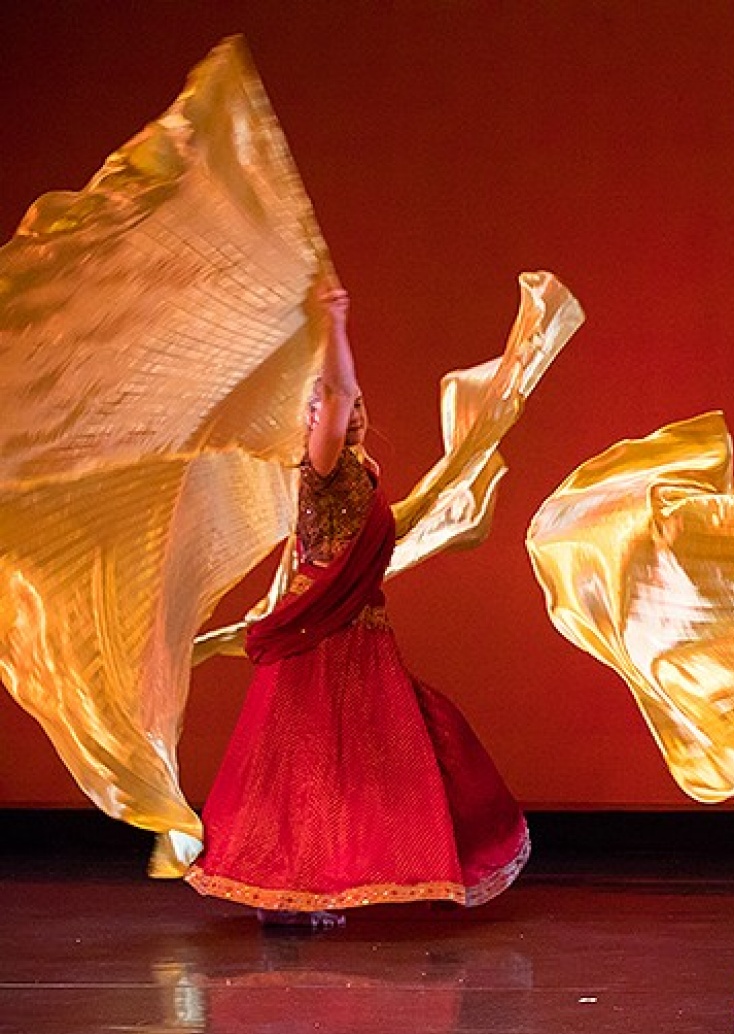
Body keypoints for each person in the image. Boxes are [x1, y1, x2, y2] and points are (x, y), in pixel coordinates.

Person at [184, 282, 531, 926]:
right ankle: (298, 891)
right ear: (314, 418)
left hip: (362, 638)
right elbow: (337, 392)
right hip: (323, 640)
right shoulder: (318, 465)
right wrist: (333, 323)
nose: (354, 409)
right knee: (313, 764)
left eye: (358, 405)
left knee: (388, 754)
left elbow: (376, 530)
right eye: (337, 406)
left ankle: (337, 882)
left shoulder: (358, 472)